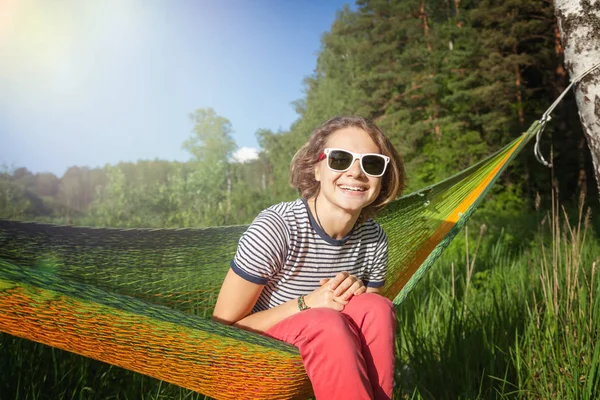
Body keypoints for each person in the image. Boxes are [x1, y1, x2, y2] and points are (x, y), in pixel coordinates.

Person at [212, 116, 405, 400]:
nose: (355, 173)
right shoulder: (278, 227)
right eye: (340, 159)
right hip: (260, 358)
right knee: (325, 322)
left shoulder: (374, 239)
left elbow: (368, 331)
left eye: (371, 163)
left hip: (333, 361)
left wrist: (356, 293)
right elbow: (221, 331)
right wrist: (307, 304)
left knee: (375, 307)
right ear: (316, 168)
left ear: (383, 177)